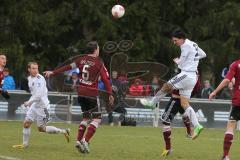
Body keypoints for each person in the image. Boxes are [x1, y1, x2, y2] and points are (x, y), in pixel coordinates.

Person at [44, 41, 114, 154]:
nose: (99, 50)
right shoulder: (99, 63)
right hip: (91, 93)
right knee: (97, 118)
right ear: (95, 50)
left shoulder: (80, 60)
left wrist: (53, 72)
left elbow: (67, 67)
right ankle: (85, 141)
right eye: (98, 48)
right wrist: (110, 93)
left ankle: (78, 141)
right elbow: (106, 79)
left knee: (86, 118)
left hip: (81, 93)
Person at [140, 28, 206, 140]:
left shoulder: (185, 46)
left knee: (166, 86)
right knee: (184, 104)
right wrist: (193, 59)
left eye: (176, 40)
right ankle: (197, 125)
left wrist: (178, 61)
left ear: (181, 39)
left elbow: (181, 65)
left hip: (186, 75)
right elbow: (203, 54)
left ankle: (152, 103)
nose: (174, 42)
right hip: (193, 77)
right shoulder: (193, 44)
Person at [12, 62, 70, 149]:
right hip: (35, 105)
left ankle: (63, 131)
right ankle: (25, 145)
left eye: (36, 68)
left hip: (43, 107)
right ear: (29, 69)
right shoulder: (29, 79)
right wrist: (31, 102)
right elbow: (34, 94)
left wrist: (28, 102)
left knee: (41, 129)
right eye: (33, 68)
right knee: (26, 123)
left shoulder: (40, 79)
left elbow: (38, 95)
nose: (35, 70)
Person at [161, 77, 201, 157]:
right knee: (184, 114)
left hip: (175, 100)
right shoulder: (196, 77)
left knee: (165, 121)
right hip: (184, 99)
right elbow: (197, 89)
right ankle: (189, 132)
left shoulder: (184, 74)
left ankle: (168, 148)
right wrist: (186, 95)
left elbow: (170, 86)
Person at [209, 60, 240, 160]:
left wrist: (214, 92)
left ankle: (226, 155)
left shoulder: (236, 64)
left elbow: (227, 80)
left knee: (230, 126)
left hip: (238, 101)